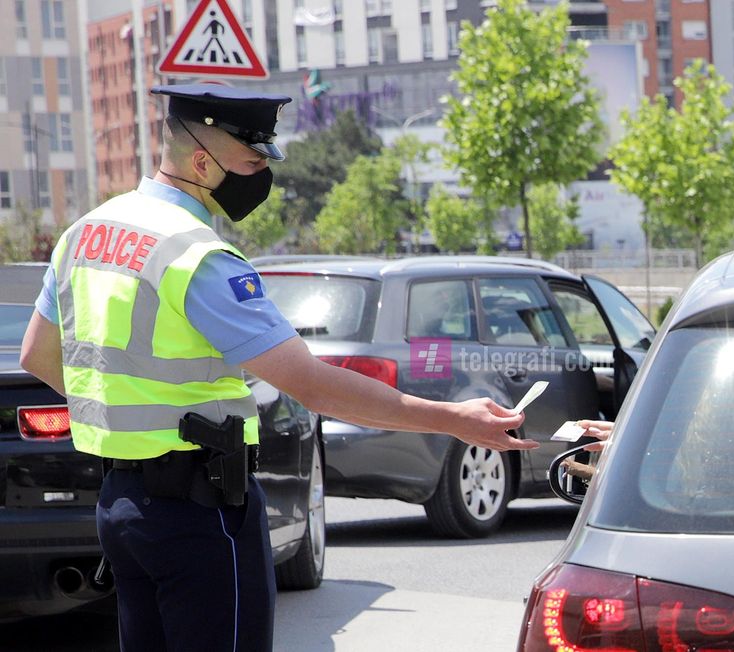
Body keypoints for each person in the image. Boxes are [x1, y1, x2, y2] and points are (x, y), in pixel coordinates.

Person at [19, 83, 536, 652]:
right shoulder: (195, 255)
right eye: (251, 159)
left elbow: (38, 356)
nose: (261, 173)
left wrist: (129, 413)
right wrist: (454, 418)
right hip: (200, 512)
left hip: (120, 505)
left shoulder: (85, 233)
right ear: (201, 160)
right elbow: (311, 385)